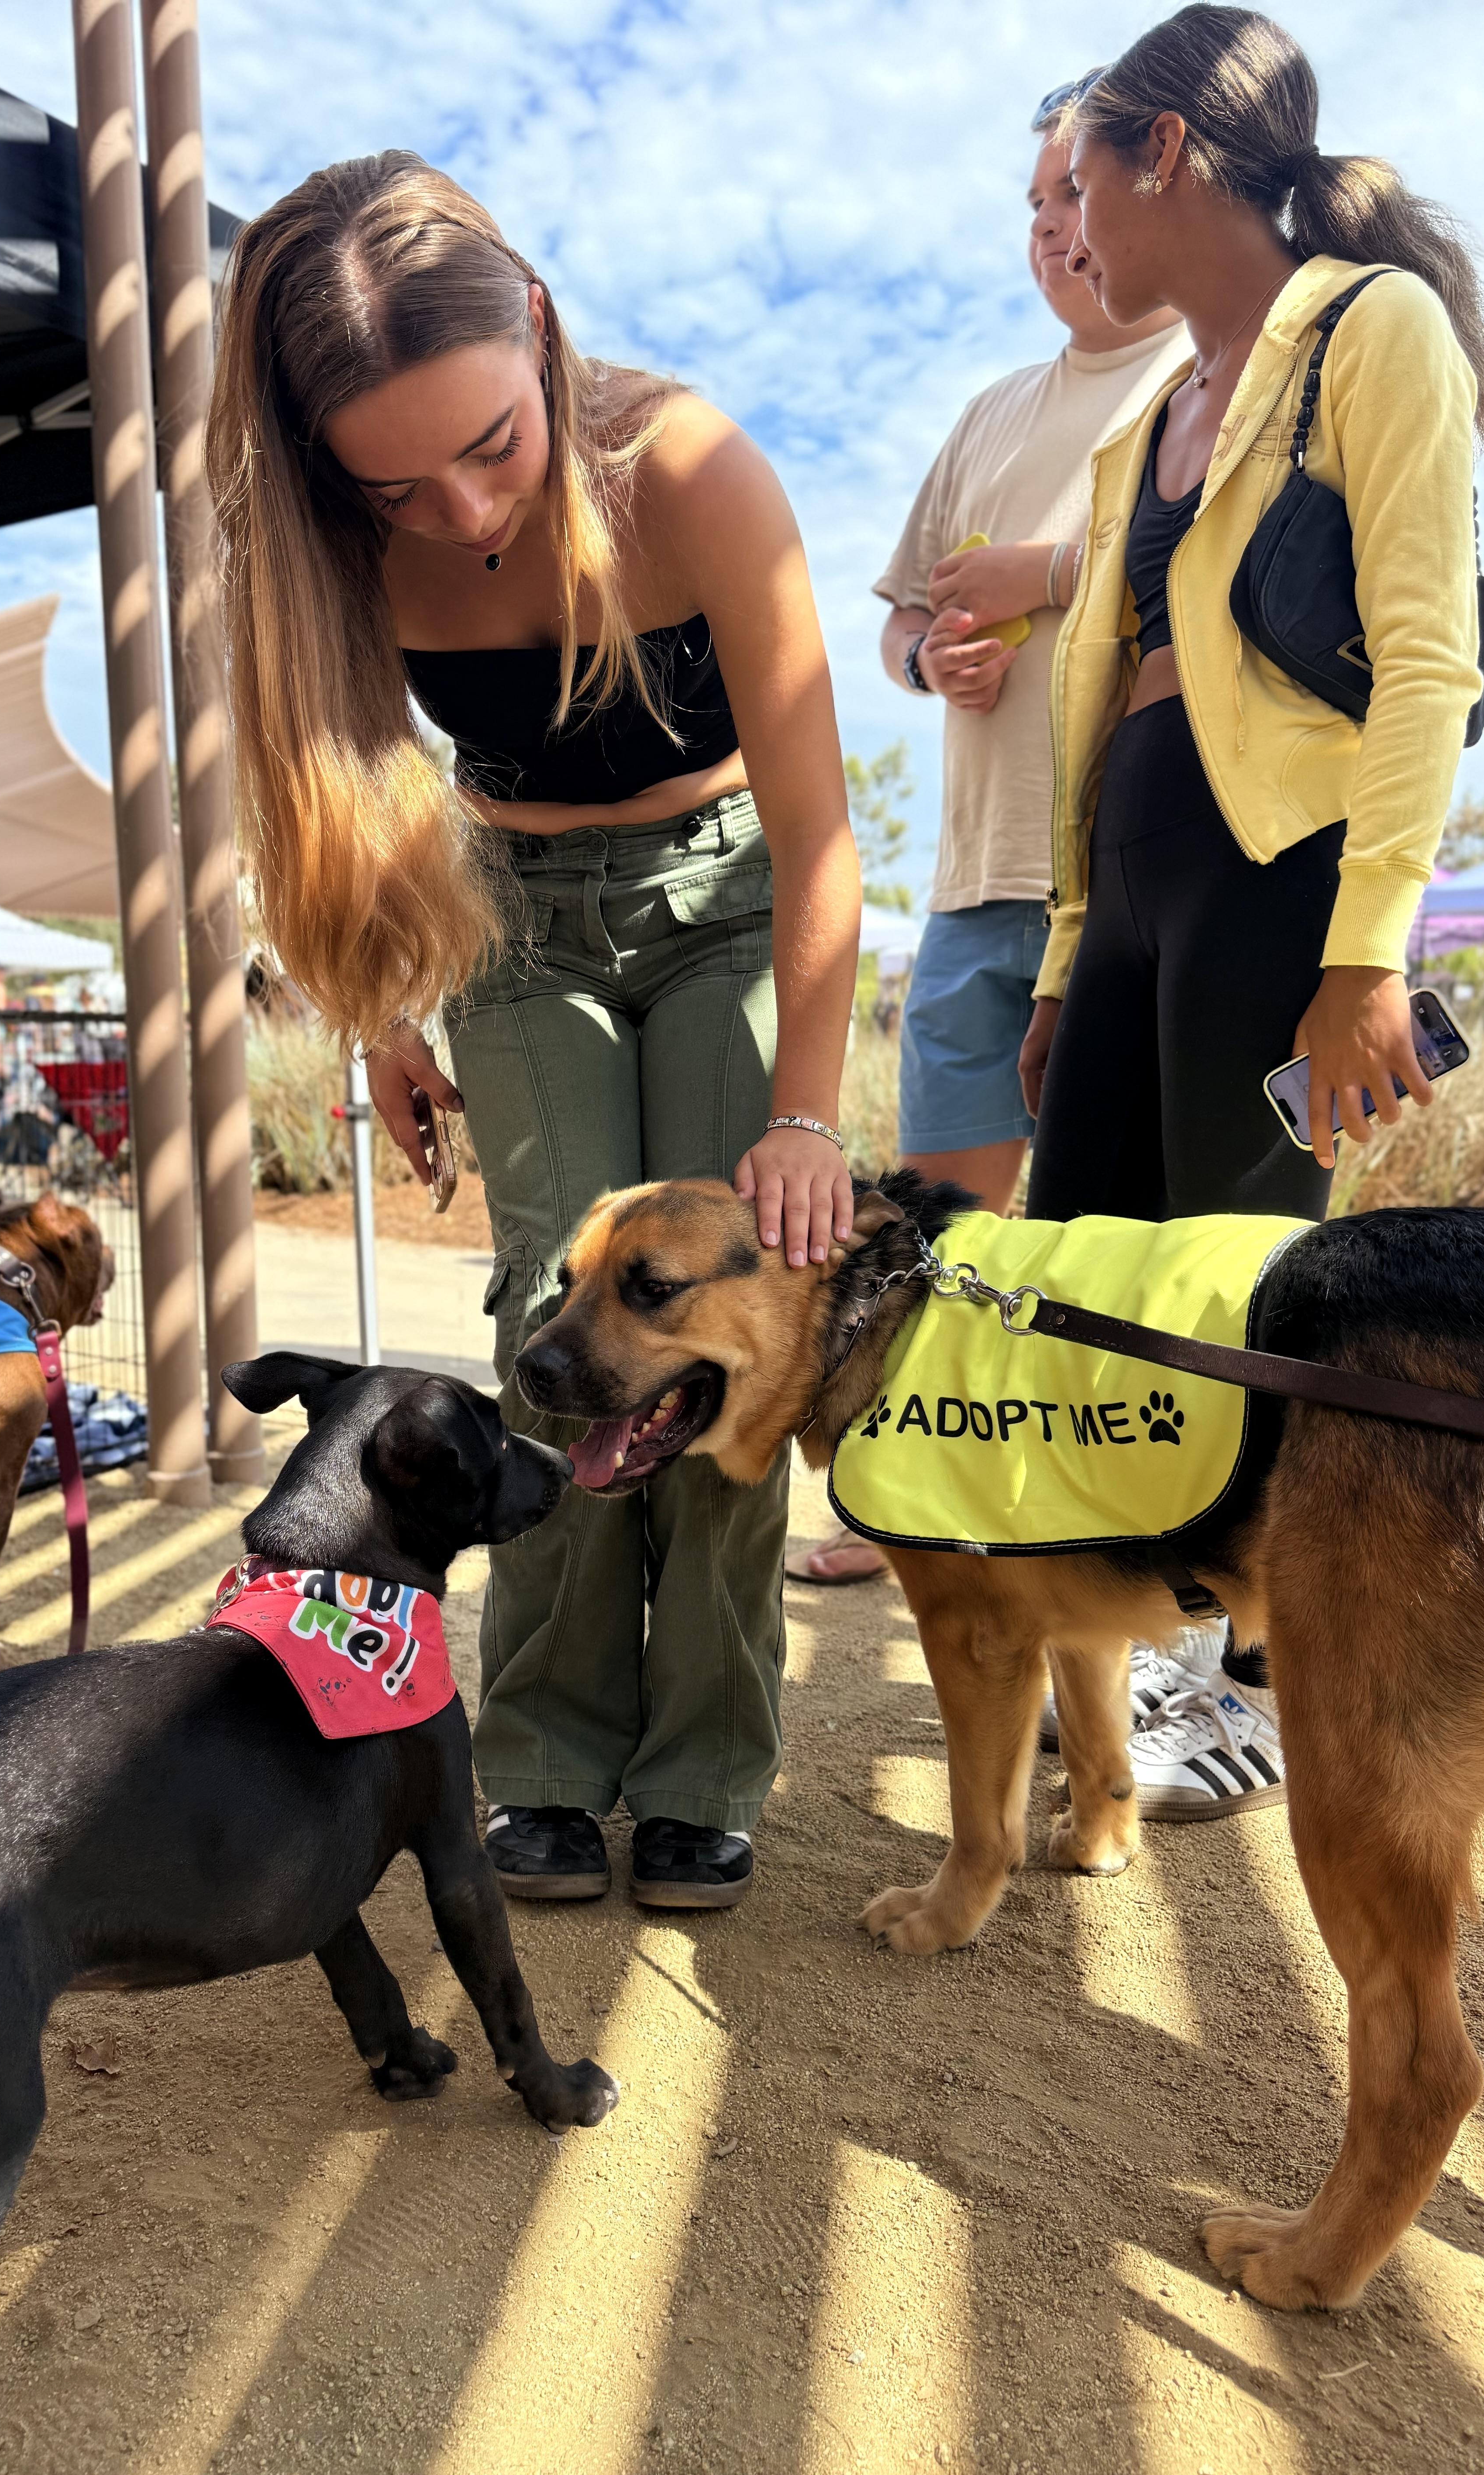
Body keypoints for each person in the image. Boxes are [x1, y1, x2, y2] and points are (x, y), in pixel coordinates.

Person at [207, 154, 861, 1910]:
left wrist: (806, 1117)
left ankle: (708, 1763)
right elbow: (341, 812)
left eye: (495, 444)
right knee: (549, 1334)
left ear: (546, 338)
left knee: (732, 1333)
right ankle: (552, 1757)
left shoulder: (694, 469)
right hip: (515, 925)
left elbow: (819, 841)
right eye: (400, 485)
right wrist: (384, 1023)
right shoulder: (326, 554)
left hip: (731, 898)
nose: (471, 513)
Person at [1019, 6, 1484, 1815]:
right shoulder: (1150, 421)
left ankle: (1240, 1676)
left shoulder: (1370, 331)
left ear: (1168, 152)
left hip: (1276, 883)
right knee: (1087, 1286)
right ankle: (1131, 1672)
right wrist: (1070, 953)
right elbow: (1104, 693)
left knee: (1237, 1294)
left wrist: (1364, 950)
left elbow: (1425, 663)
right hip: (1135, 891)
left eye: (1084, 181)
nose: (1073, 226)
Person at [792, 79, 1189, 1587]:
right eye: (1030, 207)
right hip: (972, 878)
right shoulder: (988, 412)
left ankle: (1093, 1510)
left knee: (1109, 1230)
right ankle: (908, 1494)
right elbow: (900, 620)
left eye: (1068, 196)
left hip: (1128, 871)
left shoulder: (1204, 373)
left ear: (1132, 191)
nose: (1051, 231)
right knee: (943, 1222)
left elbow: (1214, 551)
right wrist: (932, 658)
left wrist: (1044, 574)